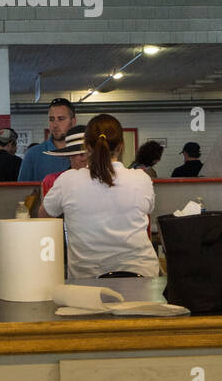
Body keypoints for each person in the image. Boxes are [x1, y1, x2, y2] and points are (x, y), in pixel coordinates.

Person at [39, 114, 159, 279]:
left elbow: (43, 216)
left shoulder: (67, 181)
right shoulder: (142, 179)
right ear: (121, 146)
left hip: (87, 283)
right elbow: (147, 210)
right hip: (142, 276)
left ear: (86, 147)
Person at [18, 98, 78, 183]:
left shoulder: (83, 153)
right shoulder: (33, 155)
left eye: (61, 119)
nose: (55, 125)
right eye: (51, 119)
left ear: (73, 121)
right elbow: (21, 192)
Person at [40, 125, 88, 197]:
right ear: (69, 156)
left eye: (91, 153)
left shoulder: (104, 180)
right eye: (81, 154)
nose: (86, 157)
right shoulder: (52, 181)